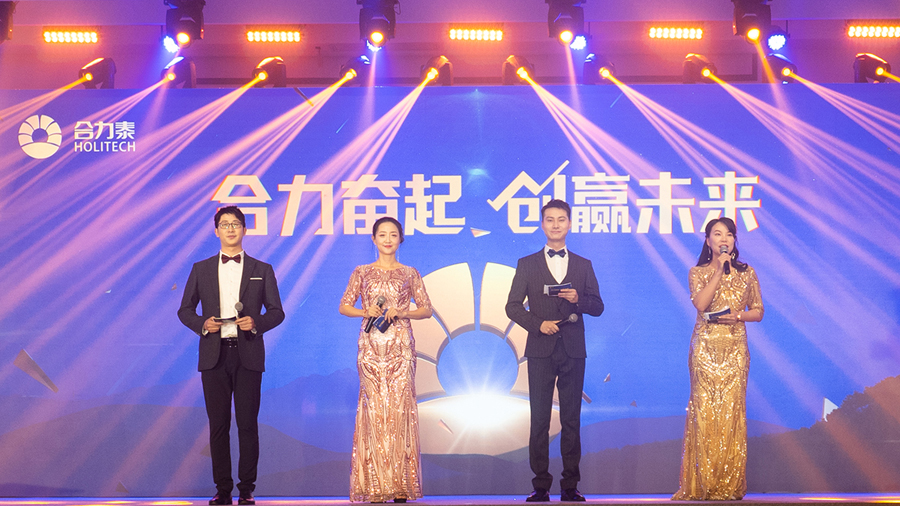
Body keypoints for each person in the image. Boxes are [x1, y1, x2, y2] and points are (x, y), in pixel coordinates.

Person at [178, 206, 285, 506]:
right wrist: (202, 324)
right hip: (214, 355)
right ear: (216, 231)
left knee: (247, 424)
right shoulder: (201, 268)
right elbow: (184, 310)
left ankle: (247, 489)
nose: (230, 229)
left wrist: (256, 322)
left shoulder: (262, 269)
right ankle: (222, 489)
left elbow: (277, 312)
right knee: (218, 425)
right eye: (224, 224)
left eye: (235, 224)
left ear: (244, 230)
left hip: (248, 353)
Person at [506, 199, 605, 503]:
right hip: (540, 349)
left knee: (571, 419)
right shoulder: (527, 264)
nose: (556, 225)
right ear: (542, 224)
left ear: (570, 224)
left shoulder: (584, 264)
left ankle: (570, 485)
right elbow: (512, 306)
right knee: (539, 419)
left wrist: (578, 300)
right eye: (550, 219)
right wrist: (538, 324)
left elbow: (598, 307)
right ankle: (540, 486)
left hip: (573, 350)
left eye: (561, 219)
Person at [339, 216, 433, 503]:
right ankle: (375, 486)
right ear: (374, 239)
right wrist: (364, 311)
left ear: (400, 239)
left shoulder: (410, 273)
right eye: (382, 234)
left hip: (401, 348)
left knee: (400, 411)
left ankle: (401, 485)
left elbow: (427, 309)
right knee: (374, 411)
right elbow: (344, 306)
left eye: (393, 234)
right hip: (370, 348)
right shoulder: (361, 272)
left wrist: (402, 312)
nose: (388, 239)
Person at [672, 217, 764, 501]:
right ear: (708, 240)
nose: (724, 239)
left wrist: (738, 316)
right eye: (717, 234)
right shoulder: (697, 272)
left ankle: (728, 484)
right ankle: (703, 484)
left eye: (729, 235)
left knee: (731, 414)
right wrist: (718, 272)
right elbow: (701, 305)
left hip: (735, 349)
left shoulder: (747, 273)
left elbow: (758, 311)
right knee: (704, 413)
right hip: (704, 348)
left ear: (734, 240)